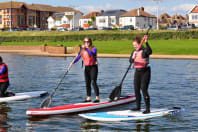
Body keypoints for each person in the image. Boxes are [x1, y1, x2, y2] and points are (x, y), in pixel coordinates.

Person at [70, 37, 100, 103]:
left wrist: (86, 49)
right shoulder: (82, 50)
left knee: (93, 82)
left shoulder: (94, 48)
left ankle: (97, 98)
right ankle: (88, 98)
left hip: (93, 67)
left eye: (88, 42)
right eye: (85, 42)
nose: (86, 43)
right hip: (86, 68)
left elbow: (92, 54)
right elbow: (78, 57)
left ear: (90, 42)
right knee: (87, 83)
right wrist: (73, 62)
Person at [129, 35, 152, 114]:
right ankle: (138, 107)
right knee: (136, 89)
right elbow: (130, 61)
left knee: (143, 89)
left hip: (145, 72)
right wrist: (133, 57)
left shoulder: (144, 50)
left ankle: (148, 109)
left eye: (135, 45)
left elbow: (150, 51)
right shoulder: (134, 52)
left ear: (139, 44)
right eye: (133, 45)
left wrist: (146, 42)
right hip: (137, 72)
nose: (134, 47)